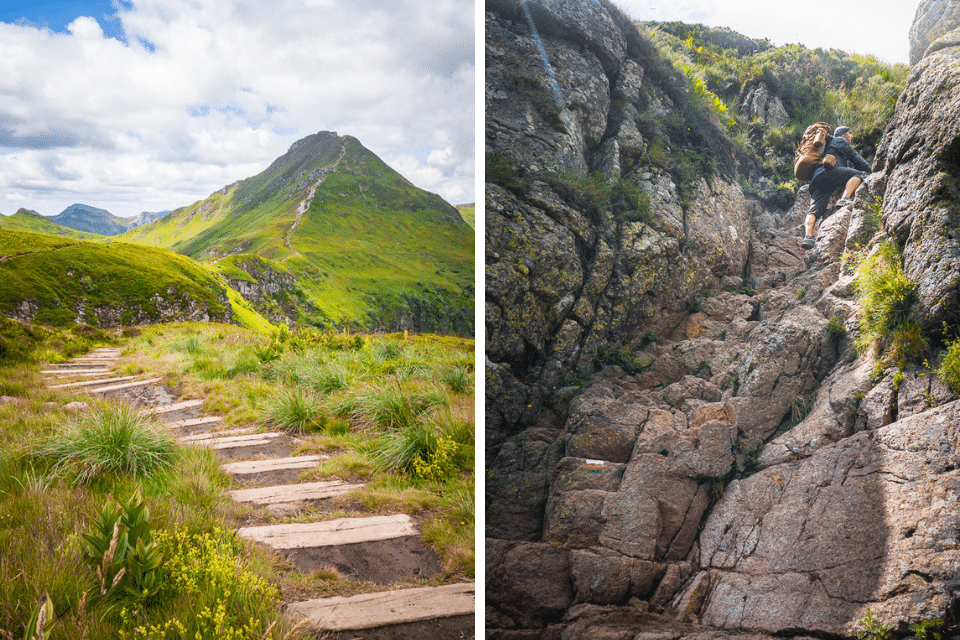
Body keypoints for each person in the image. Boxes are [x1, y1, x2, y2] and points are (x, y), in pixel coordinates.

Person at [801, 126, 871, 250]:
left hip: (816, 180)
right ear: (842, 134)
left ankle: (808, 237)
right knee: (859, 174)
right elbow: (856, 158)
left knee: (815, 209)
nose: (852, 136)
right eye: (850, 133)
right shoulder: (840, 140)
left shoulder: (826, 146)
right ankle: (845, 198)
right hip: (829, 171)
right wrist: (871, 171)